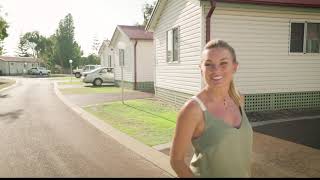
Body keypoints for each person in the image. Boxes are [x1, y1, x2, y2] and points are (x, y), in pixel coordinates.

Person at [170, 39, 253, 178]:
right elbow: (176, 161)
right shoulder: (193, 109)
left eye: (223, 63)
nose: (216, 70)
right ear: (201, 69)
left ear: (234, 67)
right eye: (209, 64)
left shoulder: (238, 99)